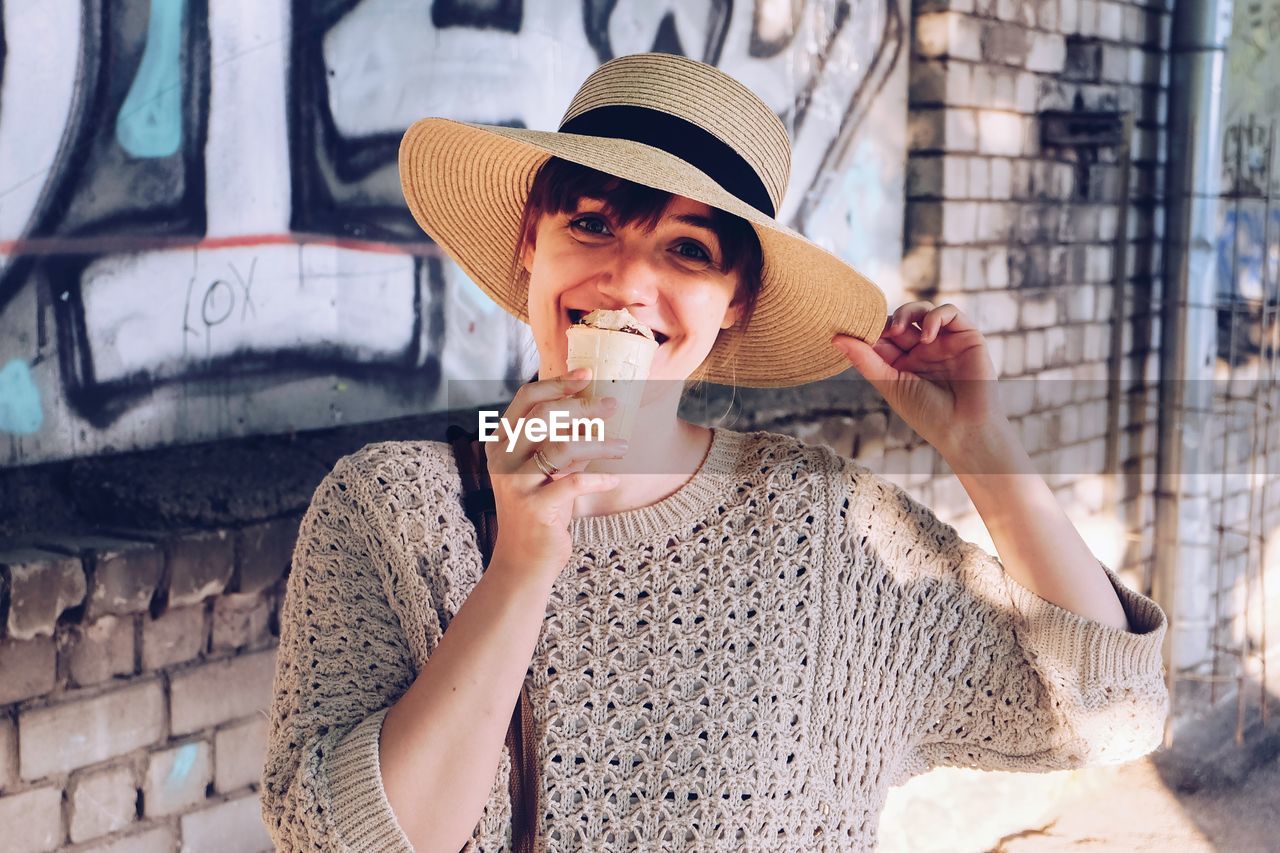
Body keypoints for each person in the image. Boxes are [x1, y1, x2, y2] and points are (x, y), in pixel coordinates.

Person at [260, 53, 1169, 852]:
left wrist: (985, 449)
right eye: (591, 223)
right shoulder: (387, 507)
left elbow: (1109, 713)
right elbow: (343, 842)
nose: (628, 279)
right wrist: (521, 563)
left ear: (734, 299)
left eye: (688, 249)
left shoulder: (824, 528)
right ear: (528, 244)